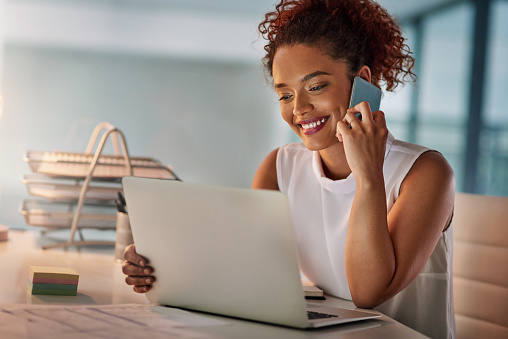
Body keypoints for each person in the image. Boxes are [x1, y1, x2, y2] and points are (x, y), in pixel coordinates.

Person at [122, 1, 456, 338]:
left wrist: (368, 177)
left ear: (363, 82)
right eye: (285, 95)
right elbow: (246, 271)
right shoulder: (279, 168)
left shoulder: (426, 173)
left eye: (315, 87)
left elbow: (368, 293)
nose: (299, 109)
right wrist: (162, 264)